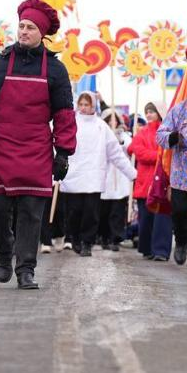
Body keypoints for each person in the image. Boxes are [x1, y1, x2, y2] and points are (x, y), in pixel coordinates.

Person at [0, 0, 77, 290]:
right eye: (21, 26)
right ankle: (4, 252)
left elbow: (64, 114)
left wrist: (64, 152)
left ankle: (26, 268)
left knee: (31, 212)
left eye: (30, 27)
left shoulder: (56, 71)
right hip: (1, 146)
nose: (24, 31)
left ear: (42, 33)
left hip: (36, 149)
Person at [61, 92, 135, 257]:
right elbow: (60, 145)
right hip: (73, 176)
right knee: (74, 212)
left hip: (94, 176)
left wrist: (131, 173)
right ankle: (74, 238)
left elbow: (115, 153)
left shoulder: (102, 127)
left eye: (87, 104)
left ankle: (87, 242)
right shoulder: (71, 124)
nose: (83, 108)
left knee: (91, 213)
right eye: (81, 104)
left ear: (93, 106)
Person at [157, 89, 187, 270]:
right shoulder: (178, 110)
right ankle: (181, 241)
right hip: (181, 171)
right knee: (179, 210)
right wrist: (175, 136)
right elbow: (160, 135)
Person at [128, 101, 172, 261]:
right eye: (146, 112)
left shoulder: (167, 131)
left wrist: (159, 156)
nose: (148, 115)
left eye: (152, 111)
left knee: (162, 218)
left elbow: (169, 151)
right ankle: (147, 248)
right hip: (144, 183)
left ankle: (161, 250)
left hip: (162, 182)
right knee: (145, 219)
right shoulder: (141, 132)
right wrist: (158, 156)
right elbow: (139, 152)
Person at [99, 110, 132, 252]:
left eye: (114, 120)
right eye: (109, 120)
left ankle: (115, 238)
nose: (112, 123)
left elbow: (130, 148)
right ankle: (103, 237)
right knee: (104, 211)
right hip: (106, 175)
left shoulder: (125, 136)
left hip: (120, 176)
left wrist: (120, 142)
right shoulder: (101, 134)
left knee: (117, 211)